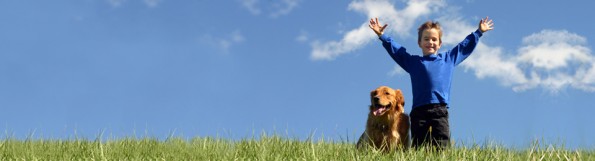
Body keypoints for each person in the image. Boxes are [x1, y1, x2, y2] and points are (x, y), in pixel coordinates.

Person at [368, 17, 494, 149]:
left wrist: (479, 32)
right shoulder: (413, 62)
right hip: (419, 112)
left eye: (434, 39)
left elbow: (463, 47)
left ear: (439, 43)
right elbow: (398, 52)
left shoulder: (448, 59)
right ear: (419, 43)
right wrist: (382, 36)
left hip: (439, 111)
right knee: (419, 147)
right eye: (426, 39)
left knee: (442, 146)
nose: (430, 42)